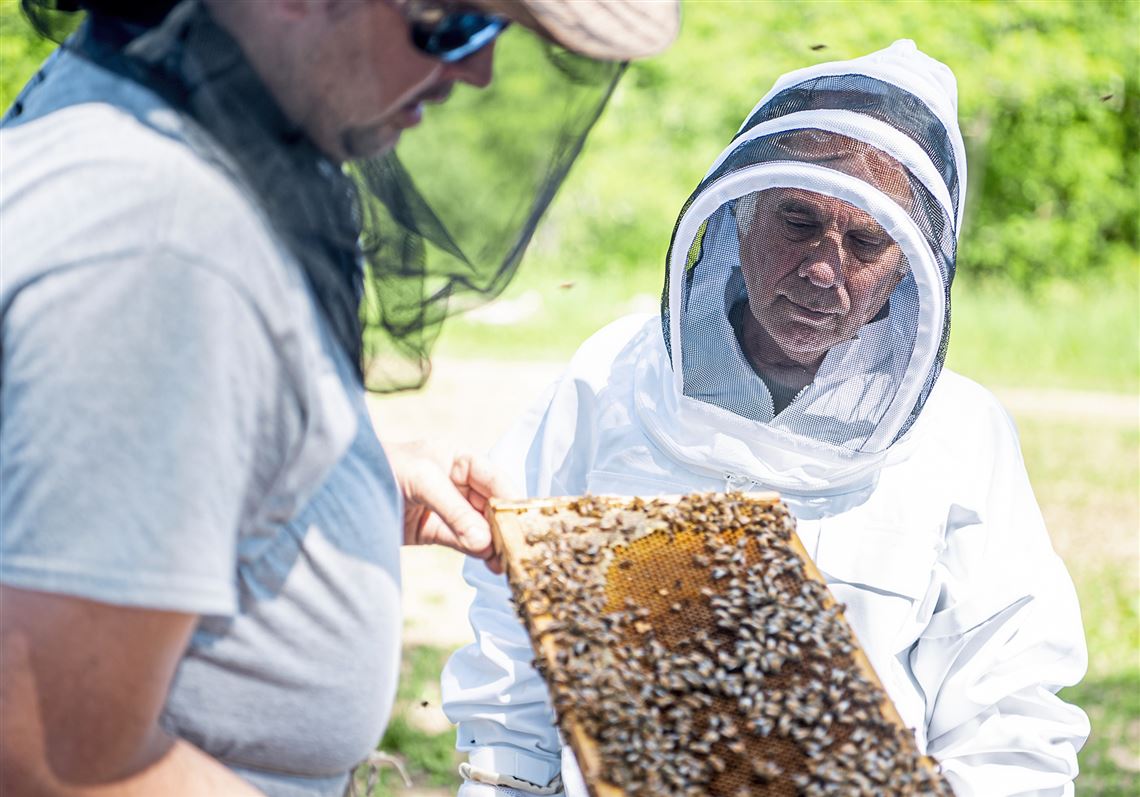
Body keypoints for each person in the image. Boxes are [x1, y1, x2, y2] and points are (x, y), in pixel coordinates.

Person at [0, 1, 679, 795]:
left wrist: (331, 492)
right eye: (455, 20)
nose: (477, 68)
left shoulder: (160, 126)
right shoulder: (163, 244)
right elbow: (52, 749)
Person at [442, 41, 1090, 797]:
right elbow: (516, 623)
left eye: (866, 240)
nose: (824, 268)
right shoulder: (609, 378)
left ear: (908, 264)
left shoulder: (965, 435)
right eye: (798, 218)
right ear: (742, 210)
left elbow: (1007, 706)